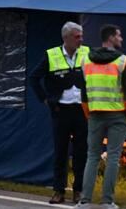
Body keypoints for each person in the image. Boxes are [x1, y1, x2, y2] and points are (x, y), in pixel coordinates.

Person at [77, 25, 126, 209]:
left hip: (95, 114)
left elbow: (84, 93)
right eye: (119, 35)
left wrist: (89, 113)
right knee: (113, 157)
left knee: (92, 156)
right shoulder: (122, 61)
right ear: (111, 37)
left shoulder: (86, 60)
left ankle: (84, 200)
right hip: (117, 114)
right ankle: (107, 201)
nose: (121, 39)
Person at [30, 22, 90, 205]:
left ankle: (78, 190)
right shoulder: (52, 55)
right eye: (77, 36)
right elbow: (34, 77)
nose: (81, 39)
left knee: (81, 151)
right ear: (66, 38)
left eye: (81, 36)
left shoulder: (87, 53)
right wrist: (45, 99)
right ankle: (58, 191)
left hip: (82, 109)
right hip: (61, 109)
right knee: (60, 151)